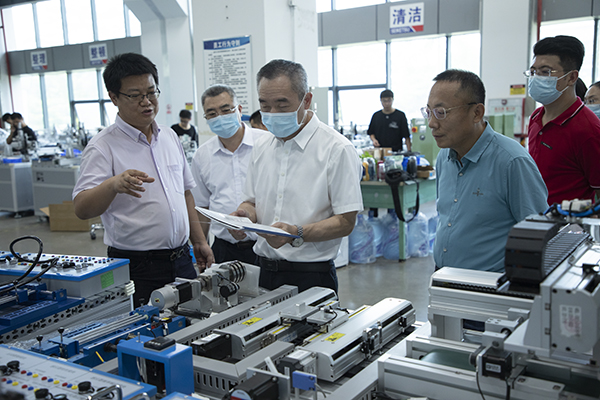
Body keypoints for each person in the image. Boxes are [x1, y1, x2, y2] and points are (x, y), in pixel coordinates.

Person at [72, 53, 214, 307]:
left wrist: (199, 242)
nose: (146, 102)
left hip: (182, 259)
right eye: (135, 95)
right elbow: (82, 208)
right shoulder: (103, 147)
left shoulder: (169, 137)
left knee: (193, 322)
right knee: (146, 329)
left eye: (151, 92)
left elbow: (185, 193)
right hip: (138, 267)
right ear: (114, 97)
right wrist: (112, 185)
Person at [231, 59, 363, 292]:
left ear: (307, 100)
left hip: (310, 276)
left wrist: (296, 233)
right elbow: (250, 202)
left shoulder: (336, 149)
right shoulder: (262, 146)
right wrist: (243, 216)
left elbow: (345, 222)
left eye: (282, 106)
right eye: (265, 106)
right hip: (263, 270)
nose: (272, 114)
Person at [426, 69, 548, 273]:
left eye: (442, 112)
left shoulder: (511, 162)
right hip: (443, 276)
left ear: (477, 113)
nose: (432, 123)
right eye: (429, 112)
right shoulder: (443, 157)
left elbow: (538, 234)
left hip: (489, 283)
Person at [191, 85, 265, 264]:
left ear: (239, 109)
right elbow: (201, 206)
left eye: (226, 110)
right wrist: (202, 244)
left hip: (265, 246)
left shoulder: (265, 143)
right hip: (224, 249)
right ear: (206, 118)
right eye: (212, 113)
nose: (220, 117)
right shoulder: (203, 155)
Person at [527, 35, 600, 205]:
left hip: (567, 220)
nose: (536, 78)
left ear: (571, 77)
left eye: (545, 72)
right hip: (533, 216)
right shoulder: (536, 117)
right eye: (533, 72)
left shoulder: (588, 129)